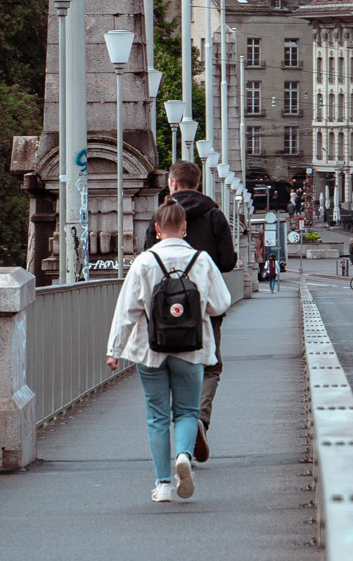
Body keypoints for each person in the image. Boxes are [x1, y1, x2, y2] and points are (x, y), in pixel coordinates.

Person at [107, 199, 233, 503]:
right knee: (188, 411)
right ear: (185, 228)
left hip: (150, 351)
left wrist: (114, 350)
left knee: (157, 416)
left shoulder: (144, 262)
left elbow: (127, 310)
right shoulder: (201, 261)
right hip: (191, 350)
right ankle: (184, 455)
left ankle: (163, 484)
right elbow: (221, 303)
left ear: (158, 229)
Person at [144, 161, 236, 464]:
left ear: (172, 183)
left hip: (164, 313)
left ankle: (177, 434)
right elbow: (228, 261)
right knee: (210, 366)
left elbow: (148, 256)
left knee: (166, 368)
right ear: (199, 184)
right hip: (204, 310)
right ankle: (198, 418)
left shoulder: (160, 217)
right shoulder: (213, 215)